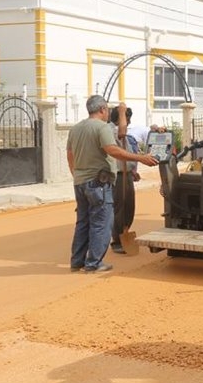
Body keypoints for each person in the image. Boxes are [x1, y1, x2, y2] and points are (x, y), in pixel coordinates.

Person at [66, 96, 158, 273]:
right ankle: (94, 263)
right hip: (98, 183)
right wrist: (141, 158)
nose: (108, 113)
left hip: (80, 182)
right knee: (101, 222)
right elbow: (112, 150)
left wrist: (76, 175)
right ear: (102, 109)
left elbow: (70, 155)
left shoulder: (76, 128)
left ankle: (77, 261)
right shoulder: (101, 127)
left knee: (83, 222)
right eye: (107, 109)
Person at [109, 105, 140, 254]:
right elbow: (121, 131)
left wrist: (132, 171)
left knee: (129, 207)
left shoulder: (126, 135)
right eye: (127, 119)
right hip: (118, 175)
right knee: (119, 209)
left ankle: (125, 232)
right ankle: (117, 239)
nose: (128, 122)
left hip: (126, 174)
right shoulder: (111, 130)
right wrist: (122, 110)